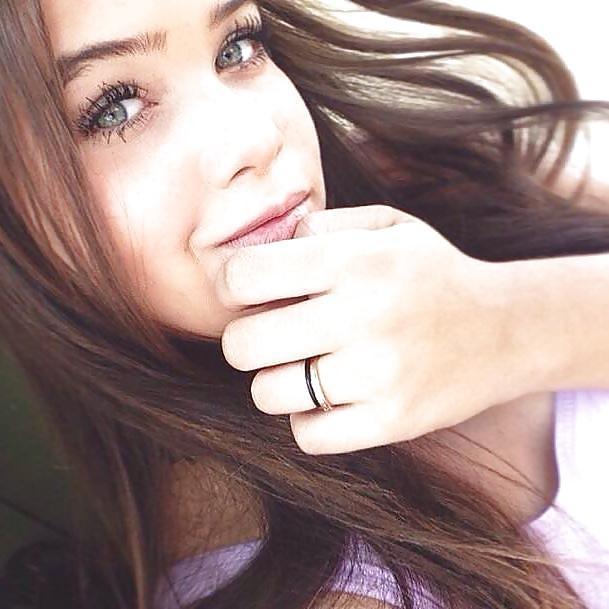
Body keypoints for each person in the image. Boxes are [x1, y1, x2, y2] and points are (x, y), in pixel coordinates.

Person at [2, 0, 609, 607]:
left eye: (236, 47)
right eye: (115, 108)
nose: (257, 137)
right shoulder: (295, 585)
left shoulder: (428, 182)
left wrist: (507, 320)